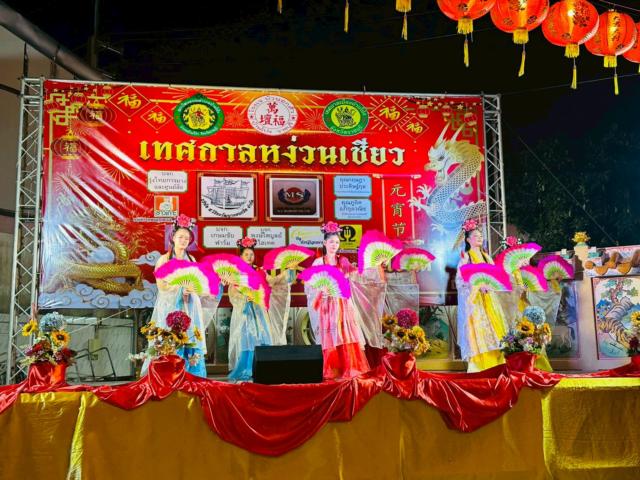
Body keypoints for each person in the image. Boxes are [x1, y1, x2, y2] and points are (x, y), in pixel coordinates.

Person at [143, 215, 217, 377]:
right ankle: (169, 376)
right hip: (170, 306)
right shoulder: (164, 260)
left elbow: (198, 283)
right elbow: (161, 286)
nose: (183, 240)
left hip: (190, 306)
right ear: (173, 238)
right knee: (170, 338)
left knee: (190, 337)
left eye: (187, 238)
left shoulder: (191, 259)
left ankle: (193, 374)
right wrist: (180, 288)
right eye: (180, 237)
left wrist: (195, 290)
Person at [305, 221, 370, 380]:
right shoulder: (319, 263)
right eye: (331, 242)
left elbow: (354, 278)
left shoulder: (343, 261)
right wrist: (322, 291)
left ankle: (349, 367)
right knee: (331, 336)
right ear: (324, 243)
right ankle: (332, 369)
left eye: (337, 242)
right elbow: (310, 284)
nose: (334, 245)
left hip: (342, 304)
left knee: (345, 334)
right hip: (327, 305)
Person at [455, 219, 509, 372]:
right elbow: (460, 280)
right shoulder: (466, 257)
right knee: (478, 331)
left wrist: (489, 285)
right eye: (476, 236)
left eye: (481, 236)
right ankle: (478, 366)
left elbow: (495, 277)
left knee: (494, 330)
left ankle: (497, 364)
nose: (480, 238)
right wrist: (477, 285)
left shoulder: (486, 257)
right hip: (475, 301)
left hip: (489, 299)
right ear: (468, 239)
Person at [227, 237, 274, 381]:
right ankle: (246, 369)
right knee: (246, 340)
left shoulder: (259, 271)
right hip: (244, 312)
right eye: (246, 254)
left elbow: (271, 283)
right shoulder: (236, 273)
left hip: (258, 311)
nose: (249, 257)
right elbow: (232, 293)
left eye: (251, 254)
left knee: (262, 338)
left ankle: (261, 368)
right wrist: (244, 298)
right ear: (240, 256)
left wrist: (286, 274)